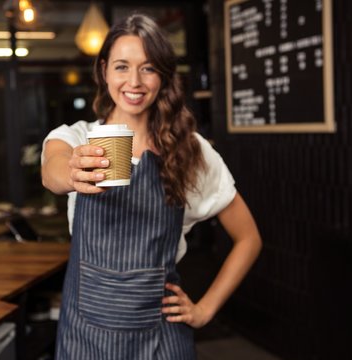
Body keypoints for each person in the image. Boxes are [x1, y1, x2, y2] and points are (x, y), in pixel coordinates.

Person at [41, 13, 262, 360]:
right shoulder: (77, 138)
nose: (135, 81)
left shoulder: (190, 150)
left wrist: (204, 310)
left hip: (161, 336)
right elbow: (52, 171)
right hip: (85, 336)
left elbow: (249, 238)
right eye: (122, 67)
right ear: (104, 71)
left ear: (163, 75)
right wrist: (73, 174)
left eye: (148, 68)